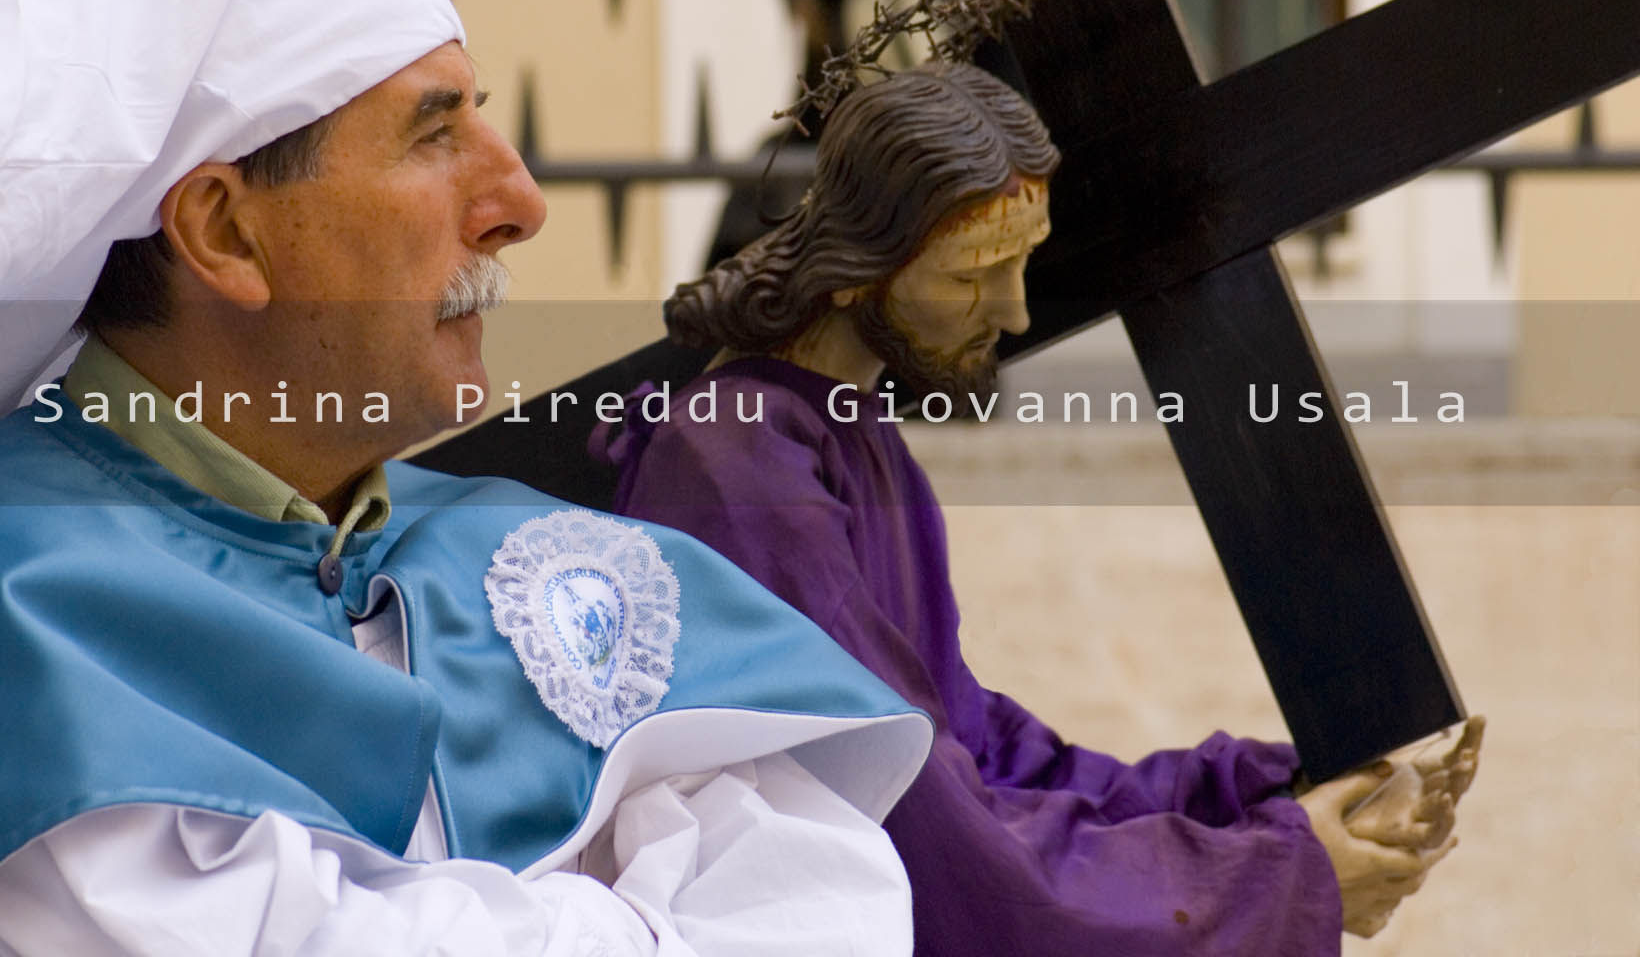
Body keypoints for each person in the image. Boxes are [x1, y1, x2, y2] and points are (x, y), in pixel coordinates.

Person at [0, 0, 935, 955]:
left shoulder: (525, 557)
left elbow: (828, 895)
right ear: (224, 232)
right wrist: (631, 911)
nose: (516, 200)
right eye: (435, 134)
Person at [597, 62, 1483, 956]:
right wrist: (1288, 874)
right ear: (858, 266)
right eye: (975, 274)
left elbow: (982, 750)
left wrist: (1266, 801)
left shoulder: (850, 437)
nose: (1016, 311)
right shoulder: (740, 463)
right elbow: (927, 833)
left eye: (1024, 262)